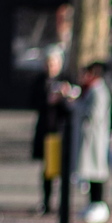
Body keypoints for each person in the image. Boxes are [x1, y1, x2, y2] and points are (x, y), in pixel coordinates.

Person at [69, 60, 112, 223]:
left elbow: (94, 114)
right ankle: (92, 204)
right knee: (91, 172)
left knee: (97, 172)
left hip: (95, 138)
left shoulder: (99, 91)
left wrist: (75, 105)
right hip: (90, 138)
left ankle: (99, 204)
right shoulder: (91, 91)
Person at [31, 48, 71, 214]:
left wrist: (64, 97)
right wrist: (47, 99)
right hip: (46, 131)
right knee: (47, 170)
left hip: (61, 131)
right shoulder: (40, 82)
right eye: (48, 64)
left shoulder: (65, 80)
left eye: (53, 64)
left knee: (63, 169)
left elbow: (71, 108)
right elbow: (32, 101)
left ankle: (64, 202)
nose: (50, 67)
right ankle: (47, 202)